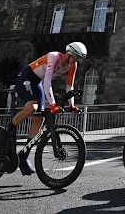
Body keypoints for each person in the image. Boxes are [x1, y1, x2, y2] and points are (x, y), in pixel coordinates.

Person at [7, 42, 87, 175]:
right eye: (75, 58)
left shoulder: (72, 65)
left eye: (79, 59)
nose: (76, 61)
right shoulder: (54, 56)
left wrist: (72, 105)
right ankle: (9, 130)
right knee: (33, 107)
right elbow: (48, 82)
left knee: (39, 119)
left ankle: (23, 157)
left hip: (37, 82)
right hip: (26, 77)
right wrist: (53, 103)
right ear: (69, 54)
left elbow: (69, 87)